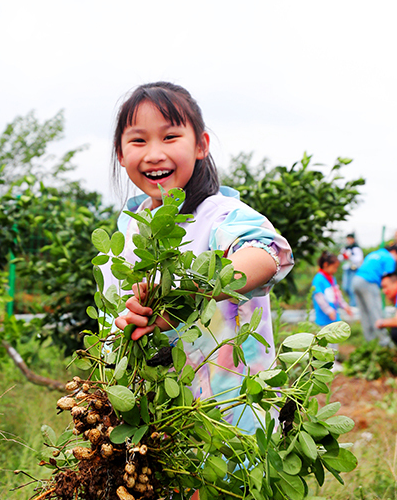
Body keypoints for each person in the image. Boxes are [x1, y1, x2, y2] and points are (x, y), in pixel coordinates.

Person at [104, 82, 294, 436]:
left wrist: (181, 298)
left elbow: (264, 256)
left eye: (170, 137)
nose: (154, 154)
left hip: (230, 418)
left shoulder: (220, 214)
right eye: (138, 140)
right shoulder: (129, 226)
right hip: (154, 415)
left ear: (201, 145)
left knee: (217, 489)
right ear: (120, 153)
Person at [351, 245, 397, 345]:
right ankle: (385, 343)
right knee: (376, 313)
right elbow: (389, 279)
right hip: (369, 282)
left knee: (365, 314)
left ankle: (370, 342)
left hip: (356, 281)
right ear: (394, 252)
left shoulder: (374, 254)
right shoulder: (389, 257)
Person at [312, 252, 354, 327]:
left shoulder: (332, 278)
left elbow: (337, 294)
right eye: (334, 267)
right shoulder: (318, 279)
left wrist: (345, 306)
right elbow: (319, 297)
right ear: (325, 265)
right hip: (324, 319)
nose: (335, 270)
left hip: (335, 318)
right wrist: (329, 311)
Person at [339, 233, 363, 306]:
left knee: (352, 288)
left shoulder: (356, 248)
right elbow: (339, 258)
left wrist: (350, 257)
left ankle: (354, 305)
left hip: (354, 269)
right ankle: (352, 303)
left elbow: (359, 259)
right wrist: (344, 256)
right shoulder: (345, 248)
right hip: (347, 269)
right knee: (345, 287)